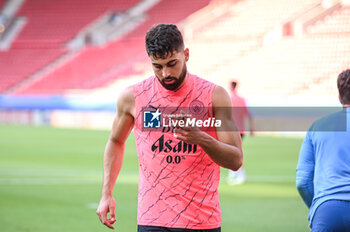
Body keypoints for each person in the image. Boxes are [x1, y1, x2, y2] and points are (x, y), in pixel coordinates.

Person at [96, 23, 243, 231]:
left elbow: (236, 160)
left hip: (201, 221)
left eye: (172, 63)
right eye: (157, 66)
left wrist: (201, 138)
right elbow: (115, 141)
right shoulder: (133, 98)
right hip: (152, 219)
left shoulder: (214, 96)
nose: (166, 73)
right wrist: (106, 193)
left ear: (186, 54)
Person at [296, 69, 350, 231]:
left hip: (327, 211)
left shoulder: (317, 126)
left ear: (339, 98)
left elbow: (302, 182)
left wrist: (318, 206)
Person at [227, 81, 254, 185]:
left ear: (230, 87)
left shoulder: (229, 99)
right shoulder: (241, 99)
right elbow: (248, 114)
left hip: (232, 129)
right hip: (241, 129)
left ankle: (241, 175)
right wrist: (252, 129)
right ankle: (234, 174)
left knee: (235, 152)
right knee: (233, 151)